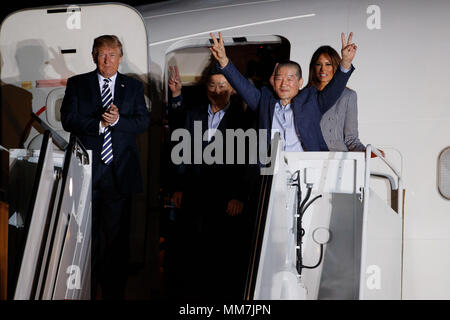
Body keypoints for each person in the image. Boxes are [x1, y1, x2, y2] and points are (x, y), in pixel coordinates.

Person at [61, 35, 150, 299]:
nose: (107, 60)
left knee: (116, 242)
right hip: (87, 174)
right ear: (93, 56)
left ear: (120, 57)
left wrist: (118, 120)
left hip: (119, 177)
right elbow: (68, 119)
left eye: (112, 55)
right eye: (101, 54)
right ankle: (85, 288)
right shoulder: (78, 84)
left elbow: (142, 123)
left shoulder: (132, 87)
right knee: (85, 238)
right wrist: (99, 125)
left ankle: (113, 292)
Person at [166, 64, 254, 300]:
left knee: (223, 257)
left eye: (223, 85)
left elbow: (248, 162)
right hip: (195, 194)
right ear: (206, 87)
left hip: (227, 199)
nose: (217, 90)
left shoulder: (243, 119)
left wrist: (239, 196)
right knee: (193, 253)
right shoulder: (193, 113)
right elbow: (181, 151)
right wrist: (179, 188)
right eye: (213, 85)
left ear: (233, 89)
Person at [209, 32, 357, 154]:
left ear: (300, 83)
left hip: (306, 171)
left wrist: (345, 63)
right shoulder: (264, 101)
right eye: (279, 78)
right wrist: (223, 61)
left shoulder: (312, 101)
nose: (284, 83)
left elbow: (335, 88)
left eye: (290, 78)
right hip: (272, 172)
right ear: (274, 81)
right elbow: (241, 86)